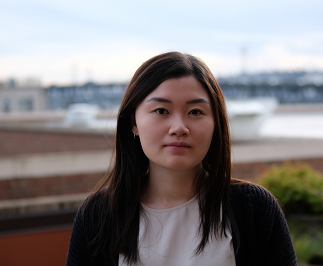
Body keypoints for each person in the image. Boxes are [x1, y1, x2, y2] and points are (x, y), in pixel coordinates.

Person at [66, 52, 297, 266]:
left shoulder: (254, 209)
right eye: (161, 111)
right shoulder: (98, 216)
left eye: (195, 112)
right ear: (133, 123)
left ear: (216, 124)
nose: (179, 128)